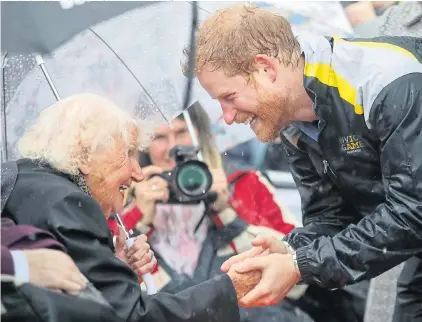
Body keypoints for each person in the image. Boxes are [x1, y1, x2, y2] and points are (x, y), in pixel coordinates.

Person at [183, 3, 422, 318]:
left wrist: (299, 265)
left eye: (229, 98)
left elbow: (412, 213)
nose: (228, 117)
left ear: (265, 68)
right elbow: (333, 215)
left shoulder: (386, 80)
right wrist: (291, 249)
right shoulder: (288, 118)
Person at [1, 93, 256, 322]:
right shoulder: (66, 203)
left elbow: (76, 298)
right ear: (85, 155)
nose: (138, 173)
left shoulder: (28, 183)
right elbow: (130, 316)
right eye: (128, 153)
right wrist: (230, 288)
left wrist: (113, 265)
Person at [108, 101, 367, 322]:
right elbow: (111, 281)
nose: (173, 148)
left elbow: (297, 265)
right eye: (159, 137)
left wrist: (228, 212)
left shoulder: (243, 184)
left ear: (200, 134)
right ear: (142, 146)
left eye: (182, 132)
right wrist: (136, 216)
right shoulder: (119, 201)